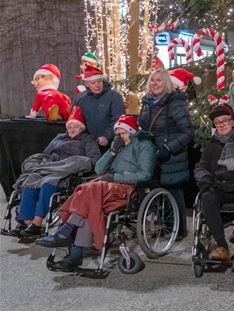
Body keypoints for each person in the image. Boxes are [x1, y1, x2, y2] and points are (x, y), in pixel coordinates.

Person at [37, 115, 156, 271]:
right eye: (117, 134)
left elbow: (145, 174)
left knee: (88, 189)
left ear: (132, 132)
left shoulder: (145, 145)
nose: (120, 137)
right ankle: (74, 254)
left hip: (127, 187)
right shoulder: (118, 145)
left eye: (123, 133)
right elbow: (99, 169)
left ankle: (66, 234)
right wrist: (113, 151)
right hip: (106, 186)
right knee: (89, 201)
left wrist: (116, 177)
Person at [12, 106, 100, 237]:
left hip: (66, 170)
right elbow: (46, 153)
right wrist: (43, 163)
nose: (72, 130)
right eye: (69, 127)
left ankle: (37, 223)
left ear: (81, 128)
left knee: (48, 182)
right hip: (50, 165)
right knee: (30, 180)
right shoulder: (59, 137)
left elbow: (94, 159)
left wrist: (75, 162)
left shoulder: (88, 139)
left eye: (75, 127)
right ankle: (27, 222)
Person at [194, 102, 234, 261]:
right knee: (207, 196)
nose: (221, 124)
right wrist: (205, 178)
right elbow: (201, 166)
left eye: (225, 120)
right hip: (220, 187)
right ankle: (221, 246)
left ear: (233, 120)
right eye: (217, 122)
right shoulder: (211, 145)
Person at [138, 69, 194, 240]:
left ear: (166, 83)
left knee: (173, 190)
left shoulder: (175, 103)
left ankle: (178, 229)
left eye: (159, 80)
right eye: (152, 80)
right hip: (152, 153)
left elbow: (188, 131)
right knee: (157, 189)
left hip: (171, 155)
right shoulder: (147, 102)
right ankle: (163, 226)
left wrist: (168, 147)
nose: (155, 83)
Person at [74, 65, 126, 148]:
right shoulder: (80, 99)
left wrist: (107, 136)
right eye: (93, 83)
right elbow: (75, 120)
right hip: (86, 143)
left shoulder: (115, 97)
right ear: (87, 84)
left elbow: (119, 121)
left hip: (110, 143)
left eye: (99, 81)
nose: (97, 85)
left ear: (103, 80)